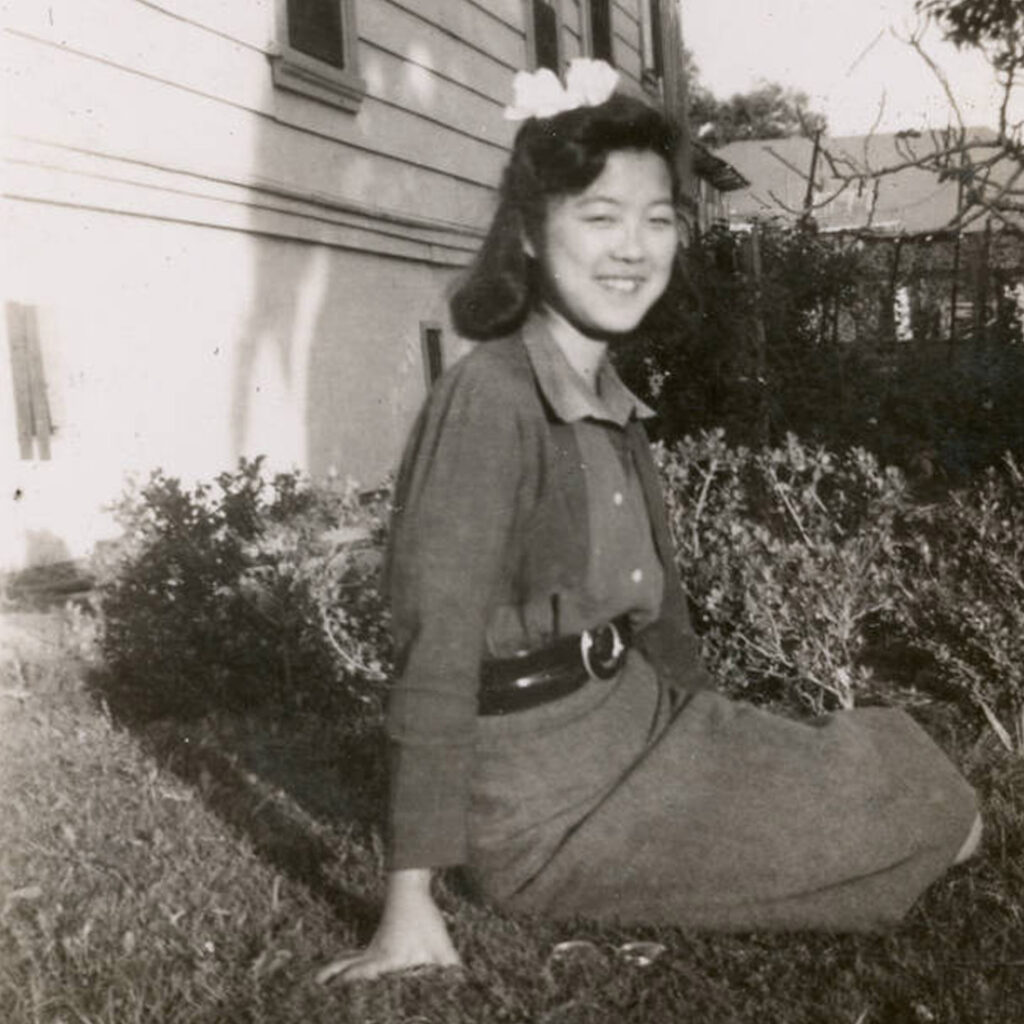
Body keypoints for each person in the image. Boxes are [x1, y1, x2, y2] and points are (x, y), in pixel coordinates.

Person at [317, 60, 981, 985]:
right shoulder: (490, 399)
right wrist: (408, 899)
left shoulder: (606, 393)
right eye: (599, 217)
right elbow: (433, 649)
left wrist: (719, 740)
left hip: (642, 722)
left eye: (657, 219)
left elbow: (661, 618)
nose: (632, 249)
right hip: (550, 804)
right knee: (931, 823)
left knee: (919, 784)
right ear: (529, 235)